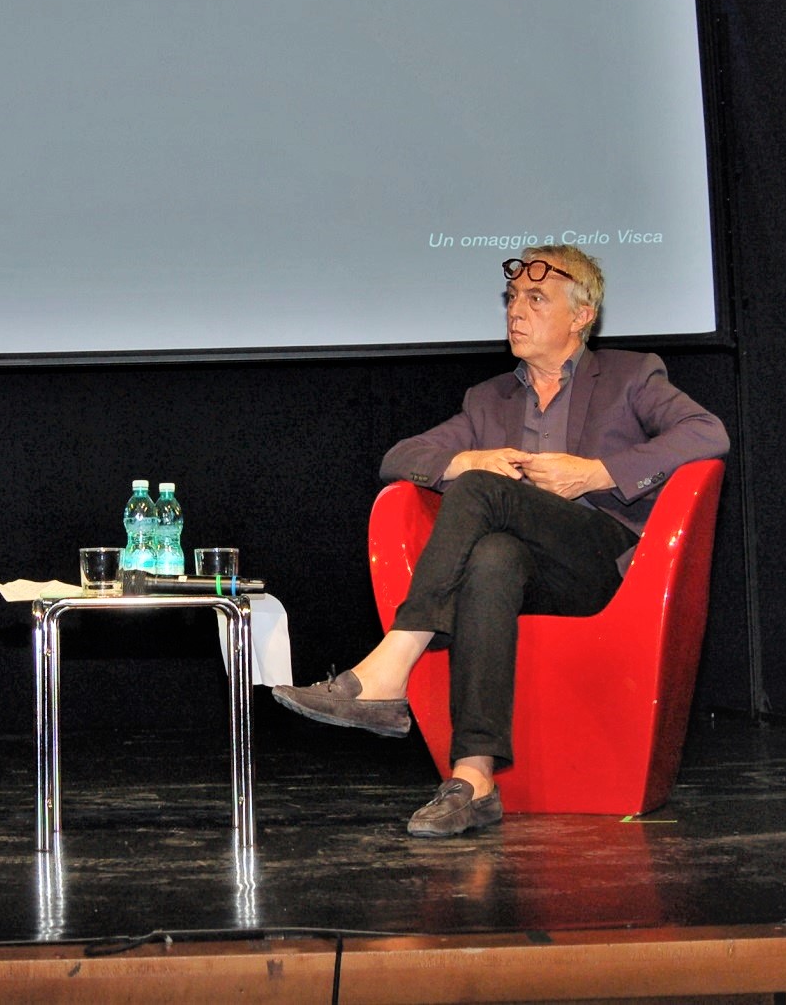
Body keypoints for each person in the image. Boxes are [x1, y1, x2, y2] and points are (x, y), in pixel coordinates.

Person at [272, 244, 728, 838]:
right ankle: (475, 778)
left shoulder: (630, 375)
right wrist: (466, 458)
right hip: (526, 571)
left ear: (581, 315)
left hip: (599, 559)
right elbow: (399, 458)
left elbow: (707, 431)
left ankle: (393, 663)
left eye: (536, 299)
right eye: (512, 298)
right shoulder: (488, 400)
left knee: (484, 493)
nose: (516, 310)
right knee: (492, 557)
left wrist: (595, 473)